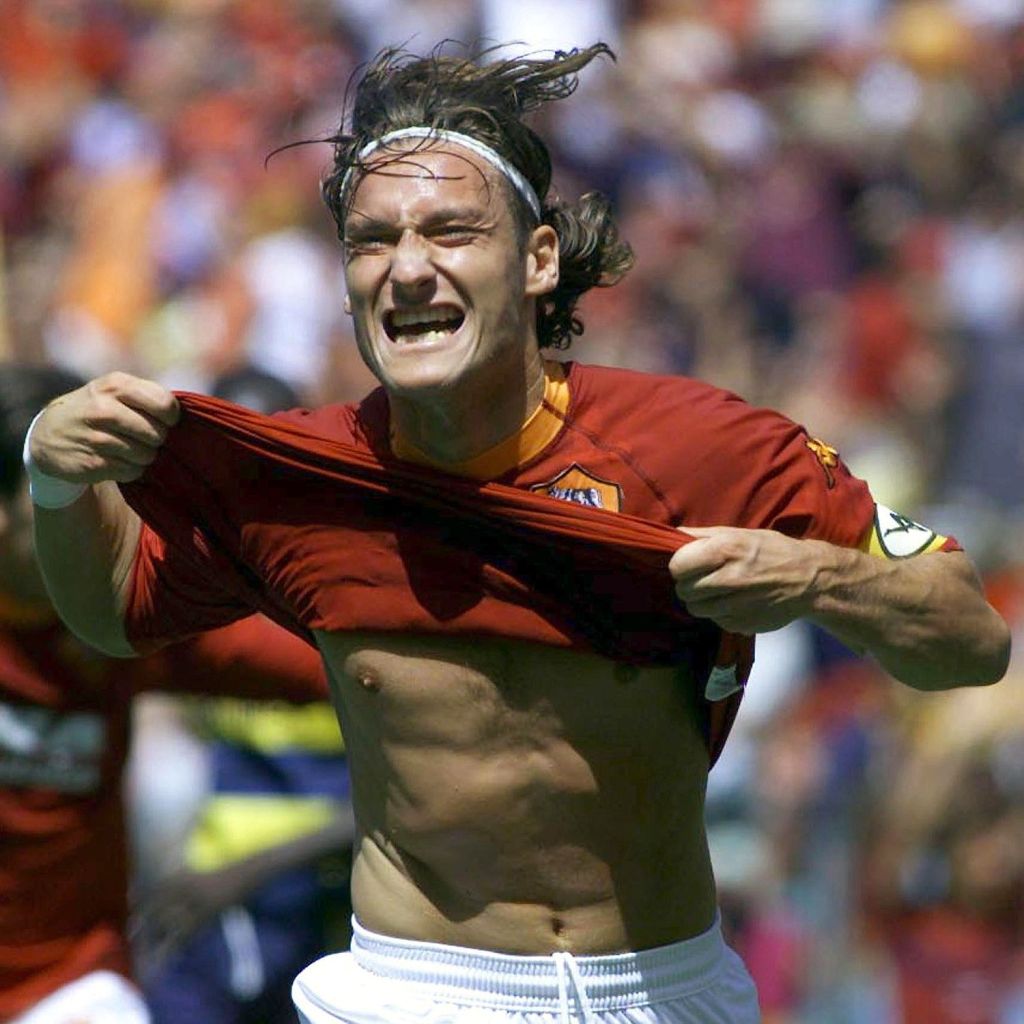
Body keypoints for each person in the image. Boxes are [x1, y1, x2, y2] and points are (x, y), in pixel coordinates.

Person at [24, 45, 1010, 1024]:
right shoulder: (298, 477)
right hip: (415, 990)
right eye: (372, 240)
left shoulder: (711, 446)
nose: (408, 267)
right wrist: (60, 481)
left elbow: (969, 639)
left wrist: (815, 580)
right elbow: (116, 611)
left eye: (450, 230)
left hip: (662, 990)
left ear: (538, 259)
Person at [0, 364, 334, 1024]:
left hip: (69, 984)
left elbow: (334, 665)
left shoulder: (126, 620)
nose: (99, 526)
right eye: (60, 502)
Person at [139, 367, 354, 1024]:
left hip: (319, 910)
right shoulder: (197, 595)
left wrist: (247, 871)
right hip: (207, 907)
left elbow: (406, 803)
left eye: (261, 454)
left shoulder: (347, 608)